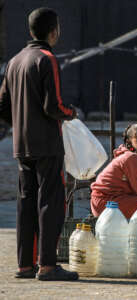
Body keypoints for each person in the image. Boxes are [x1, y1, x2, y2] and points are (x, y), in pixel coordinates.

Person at [0, 8, 79, 280]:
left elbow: (2, 106)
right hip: (47, 144)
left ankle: (25, 265)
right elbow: (53, 105)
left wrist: (21, 123)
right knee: (51, 202)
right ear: (53, 31)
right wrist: (72, 113)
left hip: (21, 145)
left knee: (26, 201)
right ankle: (47, 265)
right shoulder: (47, 59)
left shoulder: (14, 61)